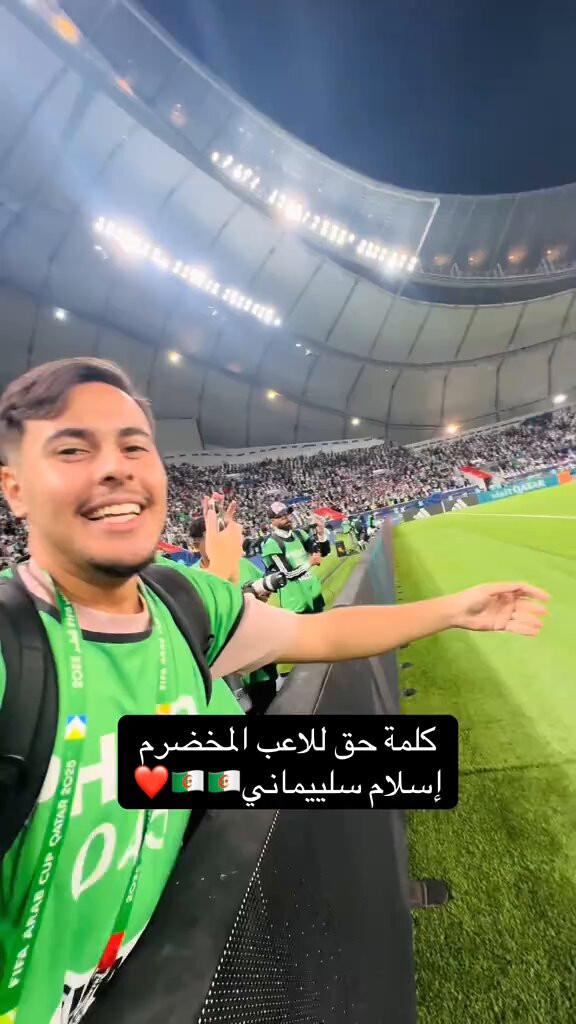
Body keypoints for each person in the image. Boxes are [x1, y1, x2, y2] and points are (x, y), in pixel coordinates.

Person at [0, 357, 549, 1024]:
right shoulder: (12, 650)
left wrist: (454, 609)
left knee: (407, 761)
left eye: (134, 446)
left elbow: (317, 636)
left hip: (147, 982)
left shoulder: (184, 601)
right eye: (72, 449)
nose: (114, 468)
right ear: (14, 487)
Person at [188, 512, 279, 714]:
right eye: (213, 536)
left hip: (259, 664)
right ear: (196, 543)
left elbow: (264, 595)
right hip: (226, 676)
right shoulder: (191, 578)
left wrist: (261, 597)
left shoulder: (242, 564)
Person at [261, 502, 331, 614]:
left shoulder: (299, 534)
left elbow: (324, 552)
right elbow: (287, 575)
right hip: (295, 602)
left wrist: (321, 534)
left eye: (287, 513)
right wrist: (309, 563)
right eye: (281, 515)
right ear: (272, 521)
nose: (286, 517)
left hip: (313, 593)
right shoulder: (271, 544)